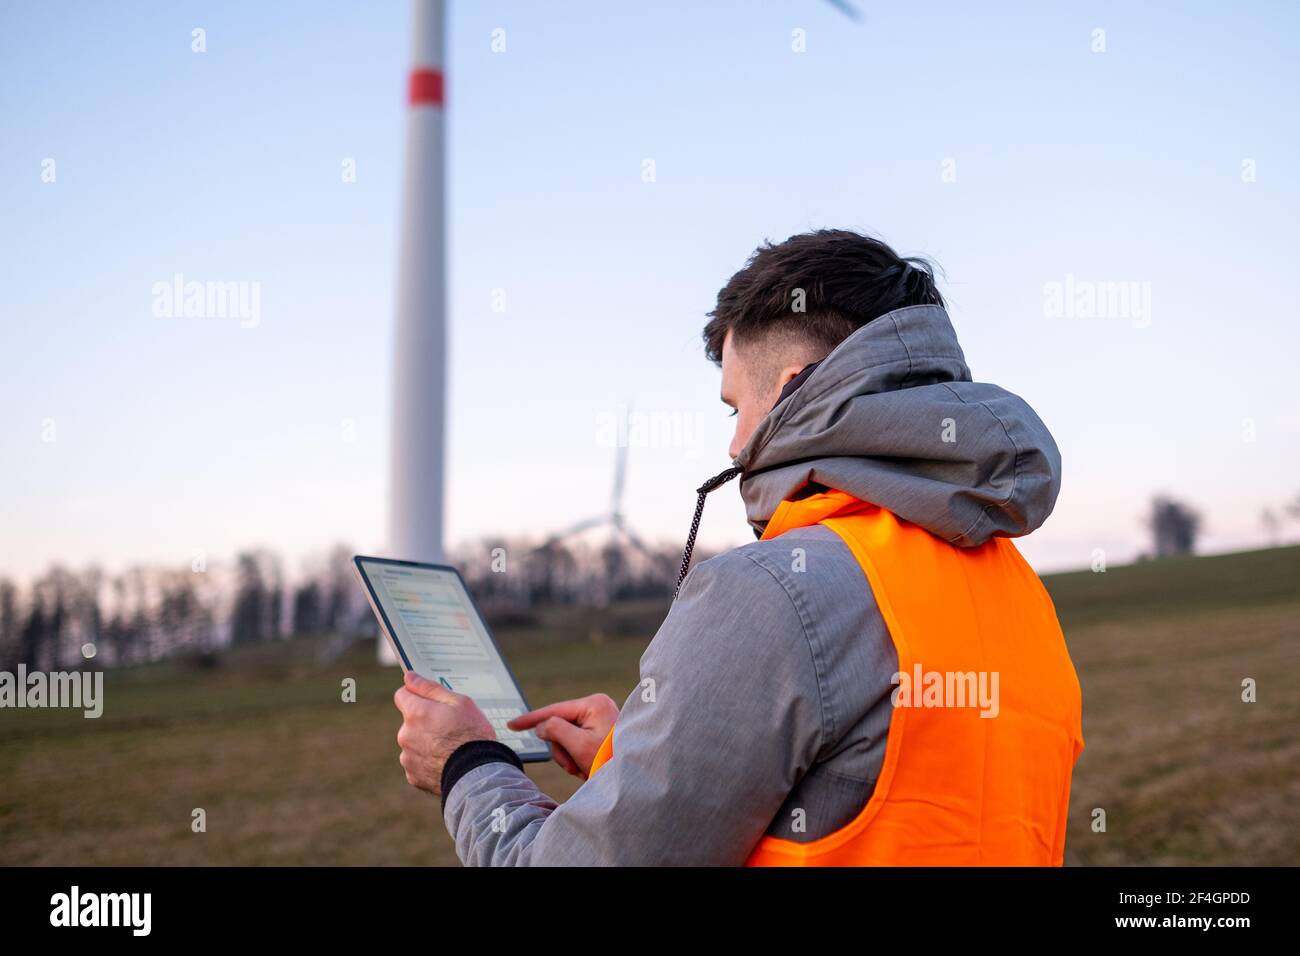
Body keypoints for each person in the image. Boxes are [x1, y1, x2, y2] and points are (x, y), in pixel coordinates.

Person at [393, 228, 1084, 866]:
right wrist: (629, 750)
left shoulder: (776, 591)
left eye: (734, 409)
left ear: (791, 392)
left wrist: (469, 764)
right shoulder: (1021, 598)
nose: (731, 446)